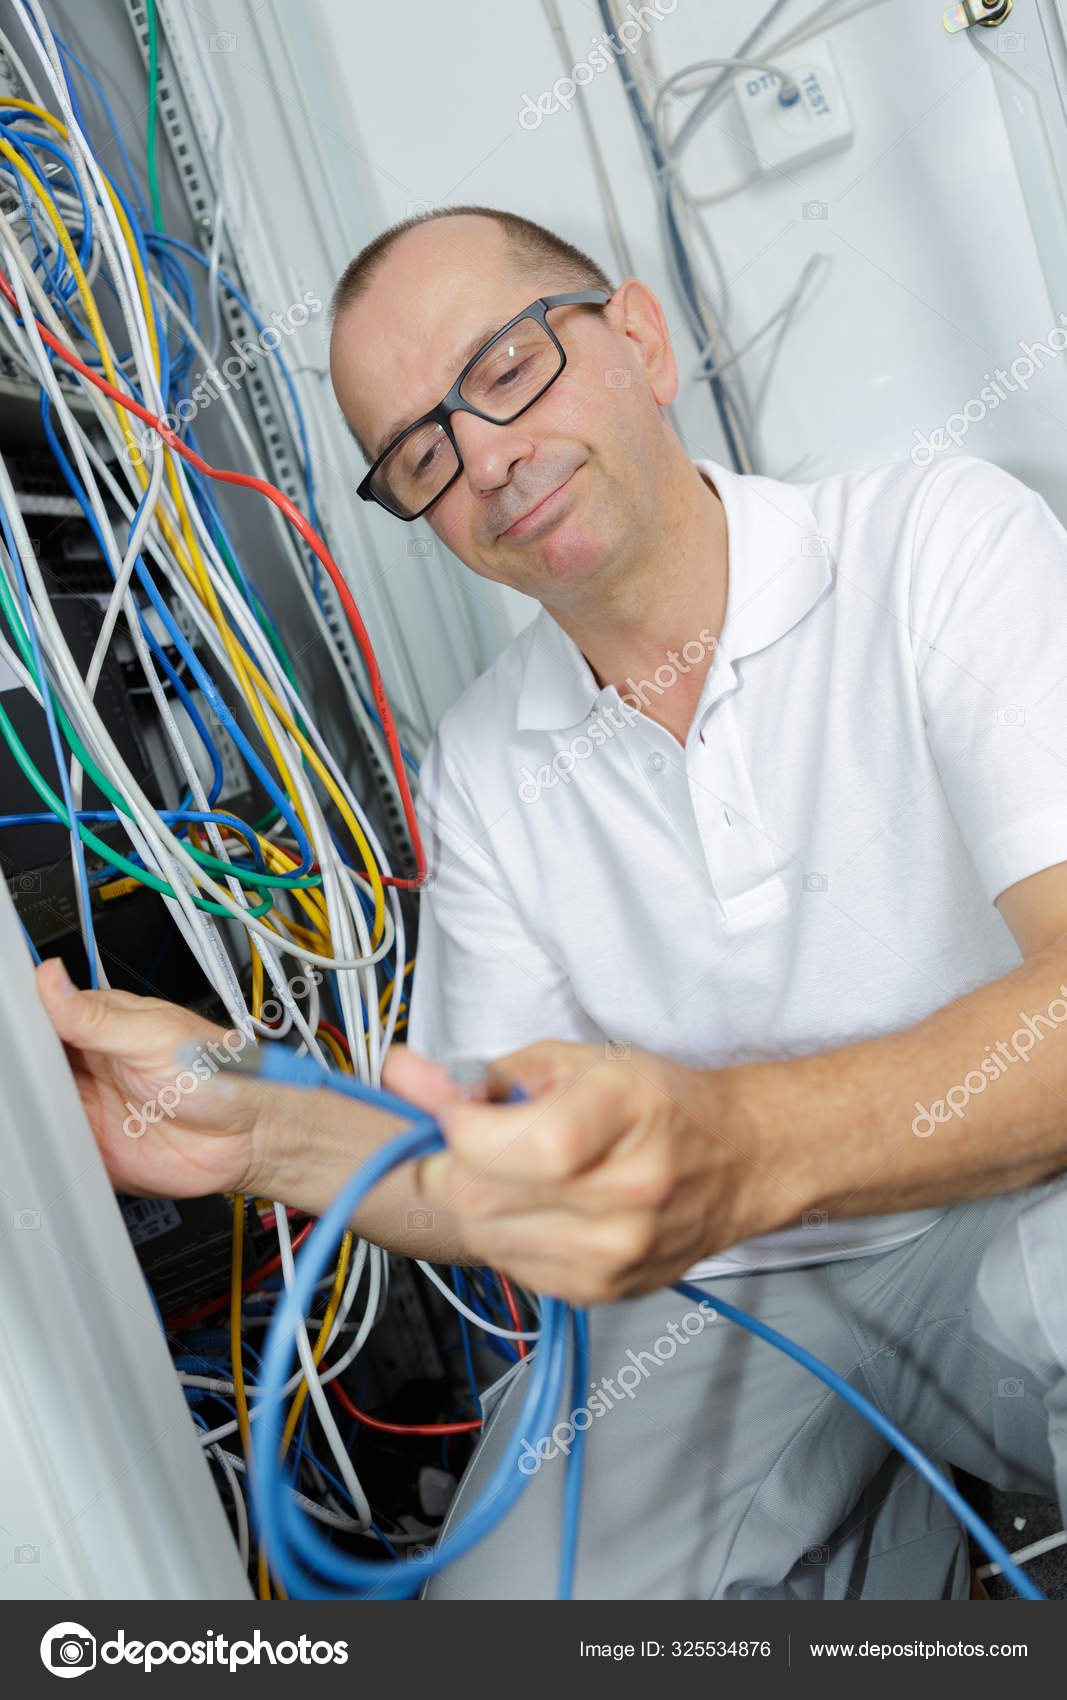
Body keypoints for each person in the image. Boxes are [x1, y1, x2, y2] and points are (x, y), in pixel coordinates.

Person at [37, 206, 1067, 1601]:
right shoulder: (481, 765)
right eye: (421, 453)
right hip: (746, 1299)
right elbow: (469, 1161)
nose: (486, 458)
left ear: (638, 339)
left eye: (508, 368)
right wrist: (253, 1119)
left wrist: (745, 1146)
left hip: (1028, 1199)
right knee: (512, 1613)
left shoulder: (934, 541)